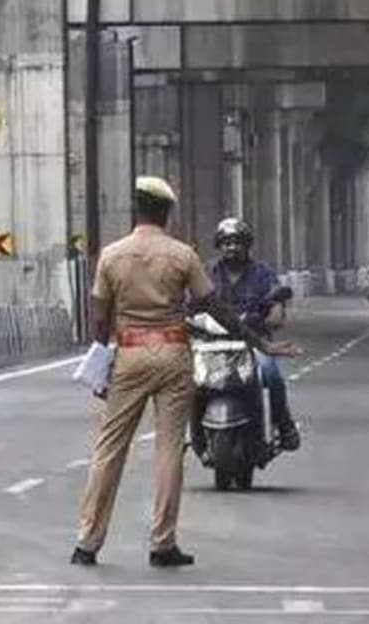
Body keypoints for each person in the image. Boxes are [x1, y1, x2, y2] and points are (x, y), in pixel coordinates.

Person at [71, 177, 300, 569]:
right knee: (168, 449)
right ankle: (162, 543)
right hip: (174, 352)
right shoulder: (182, 255)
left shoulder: (111, 255)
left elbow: (98, 319)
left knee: (109, 447)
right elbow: (215, 308)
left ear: (136, 209)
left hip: (130, 353)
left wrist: (103, 361)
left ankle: (88, 543)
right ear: (167, 213)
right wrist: (261, 345)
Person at [205, 217, 299, 450]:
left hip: (254, 344)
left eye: (237, 242)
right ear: (219, 245)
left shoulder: (262, 273)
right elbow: (191, 299)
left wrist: (276, 313)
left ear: (247, 245)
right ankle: (188, 432)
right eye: (226, 242)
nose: (232, 247)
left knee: (271, 375)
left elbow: (277, 302)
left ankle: (283, 425)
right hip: (212, 345)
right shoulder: (208, 273)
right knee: (187, 381)